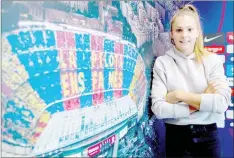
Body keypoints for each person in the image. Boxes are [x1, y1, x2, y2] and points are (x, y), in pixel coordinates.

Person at [151, 4, 231, 158]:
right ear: (172, 34)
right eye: (179, 30)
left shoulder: (212, 60)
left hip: (208, 137)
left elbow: (222, 103)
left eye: (189, 29)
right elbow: (159, 109)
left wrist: (179, 95)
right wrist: (202, 100)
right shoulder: (162, 63)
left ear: (197, 33)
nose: (184, 35)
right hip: (176, 138)